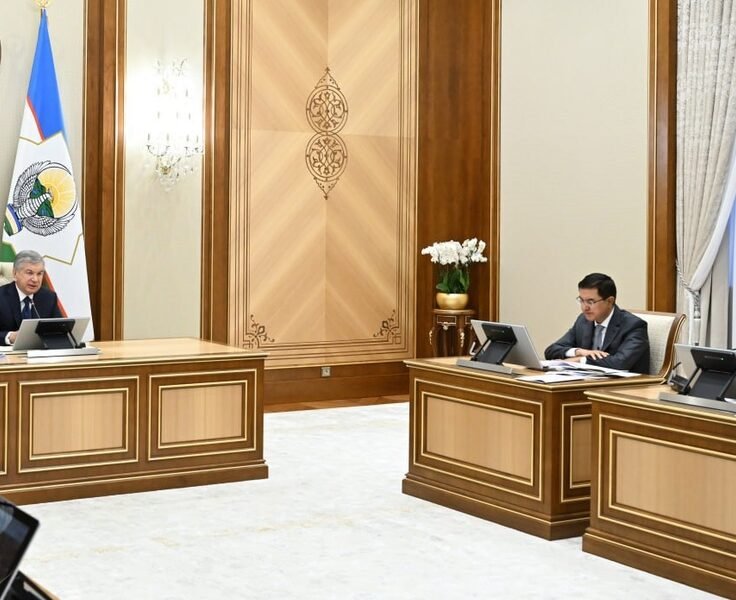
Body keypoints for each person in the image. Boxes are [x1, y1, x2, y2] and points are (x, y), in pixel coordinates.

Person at [544, 272, 650, 373]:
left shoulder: (634, 326)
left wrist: (581, 360)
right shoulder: (583, 321)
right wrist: (578, 352)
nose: (585, 307)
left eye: (590, 302)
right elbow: (551, 351)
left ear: (610, 301)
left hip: (626, 384)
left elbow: (620, 362)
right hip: (587, 381)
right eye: (581, 300)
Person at [0, 250, 62, 345]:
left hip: (40, 352)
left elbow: (60, 330)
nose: (35, 279)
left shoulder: (49, 297)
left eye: (39, 274)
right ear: (15, 274)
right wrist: (10, 337)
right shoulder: (1, 296)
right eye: (29, 273)